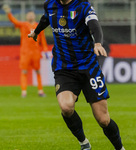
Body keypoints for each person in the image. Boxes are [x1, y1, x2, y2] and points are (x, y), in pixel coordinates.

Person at [28, 0, 125, 149]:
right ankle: (84, 143)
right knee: (66, 107)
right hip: (64, 68)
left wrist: (98, 43)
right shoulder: (50, 5)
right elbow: (45, 18)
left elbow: (94, 25)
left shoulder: (83, 6)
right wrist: (36, 31)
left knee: (103, 119)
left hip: (88, 67)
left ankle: (120, 148)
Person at [3, 5, 48, 97]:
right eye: (29, 15)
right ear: (27, 16)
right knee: (24, 71)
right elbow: (14, 21)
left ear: (34, 16)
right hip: (25, 53)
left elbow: (43, 40)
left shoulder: (38, 26)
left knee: (38, 71)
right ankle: (24, 92)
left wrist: (45, 51)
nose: (31, 16)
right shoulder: (23, 25)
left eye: (32, 15)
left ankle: (40, 91)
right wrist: (8, 13)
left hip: (35, 52)